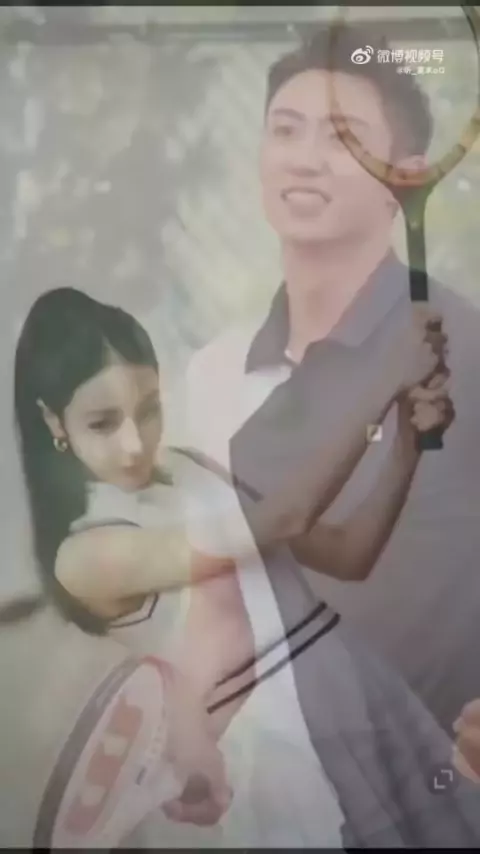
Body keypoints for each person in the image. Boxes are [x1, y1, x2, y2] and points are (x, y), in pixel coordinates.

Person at [12, 285, 480, 847]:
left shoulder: (188, 469)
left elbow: (350, 551)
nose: (134, 443)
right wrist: (385, 381)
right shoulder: (84, 555)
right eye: (103, 422)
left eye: (149, 409)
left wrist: (406, 438)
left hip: (361, 692)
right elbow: (287, 515)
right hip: (283, 755)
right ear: (53, 421)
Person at [186, 23, 480, 737]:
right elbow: (222, 612)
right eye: (285, 130)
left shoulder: (469, 348)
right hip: (270, 792)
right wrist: (185, 737)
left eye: (343, 137)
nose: (305, 159)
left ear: (405, 179)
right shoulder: (215, 373)